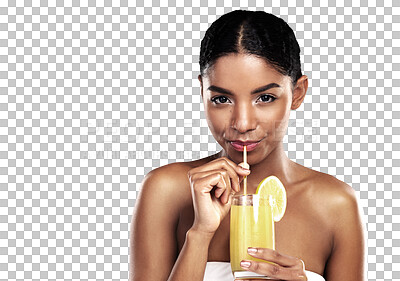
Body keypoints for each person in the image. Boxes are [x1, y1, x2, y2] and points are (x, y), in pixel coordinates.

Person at [130, 10, 365, 281]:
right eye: (221, 99)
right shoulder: (167, 190)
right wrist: (199, 234)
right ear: (202, 92)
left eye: (264, 97)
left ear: (297, 93)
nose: (242, 123)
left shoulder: (336, 204)